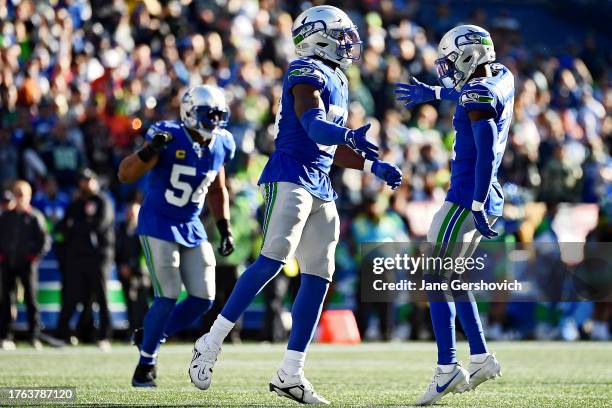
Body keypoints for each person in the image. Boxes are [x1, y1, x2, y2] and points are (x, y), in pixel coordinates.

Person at [189, 6, 402, 405]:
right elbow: (312, 124)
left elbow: (332, 146)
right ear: (317, 36)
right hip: (289, 174)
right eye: (341, 35)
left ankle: (291, 371)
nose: (348, 43)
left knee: (320, 274)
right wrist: (348, 136)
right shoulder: (305, 71)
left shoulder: (337, 76)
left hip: (321, 182)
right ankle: (211, 340)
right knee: (272, 259)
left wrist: (372, 164)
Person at [395, 25, 511, 405]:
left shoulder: (478, 92)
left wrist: (475, 202)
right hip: (485, 194)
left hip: (466, 196)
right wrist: (436, 92)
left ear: (468, 55)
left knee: (433, 277)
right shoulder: (502, 76)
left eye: (450, 62)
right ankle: (480, 357)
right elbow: (470, 93)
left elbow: (487, 148)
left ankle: (448, 368)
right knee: (452, 277)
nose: (446, 69)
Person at [118, 85, 236, 387]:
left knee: (202, 298)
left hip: (191, 223)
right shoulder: (168, 136)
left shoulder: (222, 143)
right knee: (168, 293)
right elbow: (125, 174)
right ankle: (146, 364)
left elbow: (217, 188)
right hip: (158, 220)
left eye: (218, 115)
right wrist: (150, 150)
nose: (214, 121)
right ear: (189, 111)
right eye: (208, 114)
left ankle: (152, 334)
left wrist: (224, 227)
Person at [55, 169, 115, 350]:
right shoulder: (75, 203)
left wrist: (76, 226)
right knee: (71, 296)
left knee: (101, 296)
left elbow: (99, 225)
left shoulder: (103, 201)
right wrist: (78, 226)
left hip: (98, 257)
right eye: (83, 180)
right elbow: (63, 227)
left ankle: (104, 336)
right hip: (77, 257)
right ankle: (63, 334)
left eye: (89, 180)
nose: (86, 184)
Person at [0, 180, 50, 350]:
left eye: (23, 194)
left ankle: (33, 336)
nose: (20, 198)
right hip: (8, 264)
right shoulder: (6, 216)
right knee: (7, 300)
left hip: (27, 265)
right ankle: (6, 336)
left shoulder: (35, 217)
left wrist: (32, 257)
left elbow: (44, 241)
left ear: (29, 196)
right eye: (17, 194)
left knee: (31, 300)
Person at [115, 201, 150, 335]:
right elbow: (116, 250)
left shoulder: (143, 230)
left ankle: (145, 332)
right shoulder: (121, 230)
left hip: (140, 274)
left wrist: (132, 268)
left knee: (142, 304)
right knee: (130, 305)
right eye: (128, 211)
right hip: (124, 273)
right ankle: (133, 332)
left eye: (133, 211)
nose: (130, 214)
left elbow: (144, 254)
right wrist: (121, 266)